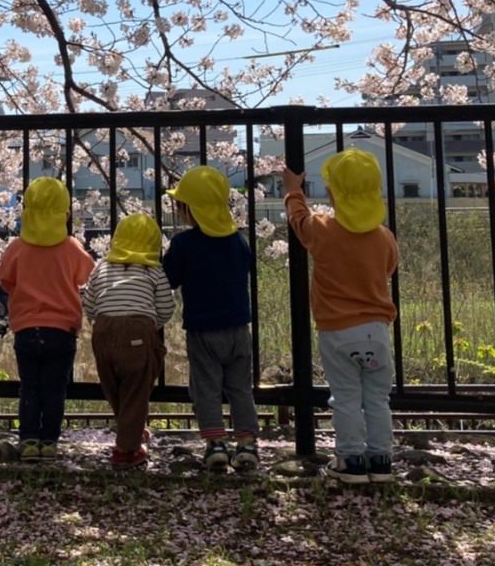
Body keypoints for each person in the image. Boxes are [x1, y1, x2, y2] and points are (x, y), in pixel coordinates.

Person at [283, 149, 398, 485]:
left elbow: (297, 219)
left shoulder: (322, 230)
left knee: (346, 396)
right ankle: (381, 458)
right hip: (376, 331)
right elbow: (388, 269)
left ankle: (350, 460)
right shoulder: (385, 237)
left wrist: (294, 189)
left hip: (336, 331)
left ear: (333, 192)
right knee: (377, 396)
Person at [163, 165, 260, 472]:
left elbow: (169, 278)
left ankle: (215, 443)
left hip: (203, 329)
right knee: (240, 388)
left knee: (205, 387)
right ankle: (246, 443)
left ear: (190, 210)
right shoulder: (239, 241)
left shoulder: (183, 244)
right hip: (238, 328)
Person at [0, 176, 94, 462]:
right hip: (62, 331)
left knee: (29, 387)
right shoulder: (71, 247)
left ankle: (28, 439)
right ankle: (49, 442)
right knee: (54, 389)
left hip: (26, 329)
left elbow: (5, 279)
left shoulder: (17, 247)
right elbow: (86, 275)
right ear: (65, 214)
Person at [82, 212, 175, 470]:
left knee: (114, 386)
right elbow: (166, 308)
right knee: (137, 387)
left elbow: (89, 304)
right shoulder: (153, 269)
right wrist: (150, 324)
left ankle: (130, 431)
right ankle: (125, 450)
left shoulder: (101, 266)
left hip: (103, 331)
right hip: (138, 329)